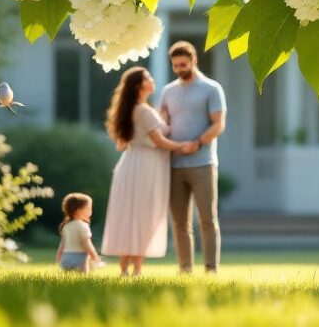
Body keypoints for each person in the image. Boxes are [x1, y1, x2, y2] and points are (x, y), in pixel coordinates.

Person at [100, 66, 197, 276]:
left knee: (131, 216)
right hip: (145, 166)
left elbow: (129, 141)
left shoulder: (139, 110)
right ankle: (134, 269)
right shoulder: (143, 111)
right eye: (148, 78)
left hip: (135, 163)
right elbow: (159, 141)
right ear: (139, 85)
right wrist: (185, 146)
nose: (152, 80)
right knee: (142, 216)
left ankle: (127, 269)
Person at [158, 40, 226, 275]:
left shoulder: (211, 89)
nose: (179, 69)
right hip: (174, 165)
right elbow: (162, 123)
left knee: (207, 219)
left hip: (203, 164)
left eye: (183, 64)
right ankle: (185, 269)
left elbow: (218, 124)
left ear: (193, 60)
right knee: (179, 222)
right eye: (175, 65)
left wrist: (197, 143)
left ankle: (211, 269)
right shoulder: (168, 91)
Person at [55, 192, 101, 273]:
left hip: (66, 257)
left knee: (68, 278)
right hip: (80, 258)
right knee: (83, 277)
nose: (91, 211)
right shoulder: (83, 225)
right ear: (78, 211)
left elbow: (62, 244)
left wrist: (58, 258)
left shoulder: (66, 226)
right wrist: (95, 256)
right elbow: (86, 243)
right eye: (89, 208)